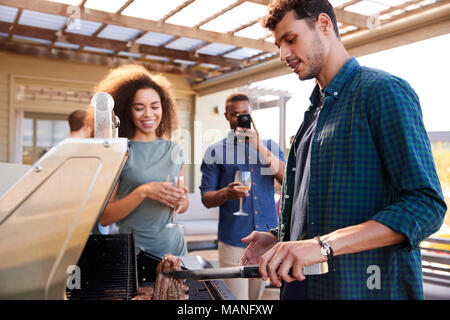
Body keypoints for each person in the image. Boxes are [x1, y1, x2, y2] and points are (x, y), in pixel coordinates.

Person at [239, 0, 446, 300]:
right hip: (301, 288)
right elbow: (319, 210)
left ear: (324, 24)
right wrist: (279, 237)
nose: (283, 54)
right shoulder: (313, 114)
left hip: (359, 288)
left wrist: (322, 246)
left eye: (290, 39)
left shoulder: (382, 92)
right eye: (278, 45)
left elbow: (426, 206)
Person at [199, 93, 286, 300]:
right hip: (233, 240)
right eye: (235, 114)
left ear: (251, 114)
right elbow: (207, 198)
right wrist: (226, 193)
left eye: (244, 113)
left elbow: (287, 179)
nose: (240, 117)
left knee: (256, 300)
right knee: (234, 301)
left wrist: (259, 147)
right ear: (227, 116)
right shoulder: (215, 151)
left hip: (268, 239)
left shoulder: (270, 146)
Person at [98, 64, 189, 257]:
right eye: (139, 108)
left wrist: (181, 201)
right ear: (127, 110)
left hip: (174, 250)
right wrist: (144, 192)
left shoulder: (175, 150)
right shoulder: (119, 152)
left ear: (163, 108)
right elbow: (105, 217)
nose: (148, 114)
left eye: (155, 107)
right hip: (135, 254)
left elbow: (183, 204)